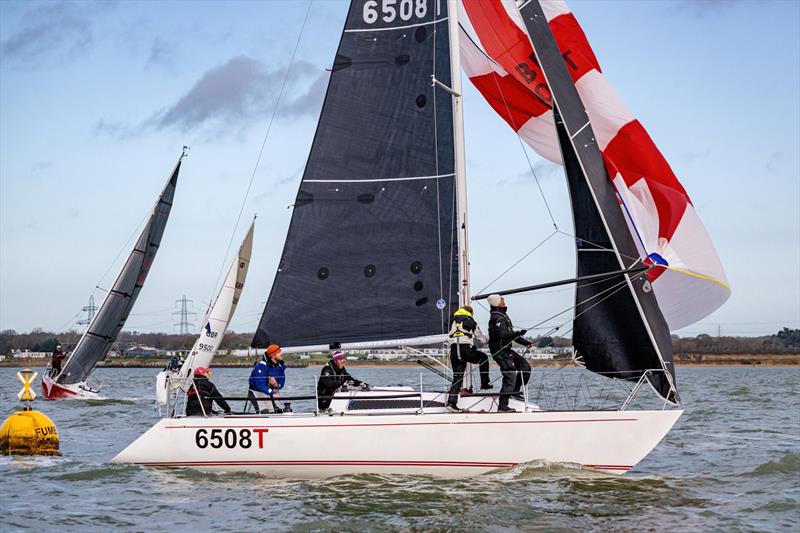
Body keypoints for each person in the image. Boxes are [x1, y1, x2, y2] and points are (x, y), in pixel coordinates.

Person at [487, 294, 532, 413]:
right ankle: (502, 406)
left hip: (507, 350)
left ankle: (515, 392)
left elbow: (510, 335)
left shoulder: (503, 315)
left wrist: (525, 342)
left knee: (525, 367)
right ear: (497, 303)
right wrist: (518, 333)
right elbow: (503, 335)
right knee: (510, 376)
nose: (504, 301)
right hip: (500, 352)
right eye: (502, 300)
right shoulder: (497, 318)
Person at [446, 305, 491, 412]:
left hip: (453, 351)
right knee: (483, 358)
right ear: (470, 313)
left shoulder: (451, 320)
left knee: (457, 377)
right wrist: (488, 340)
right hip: (465, 350)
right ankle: (485, 383)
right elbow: (481, 338)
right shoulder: (470, 321)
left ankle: (451, 403)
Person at [248, 344, 286, 413]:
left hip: (268, 393)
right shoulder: (261, 366)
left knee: (277, 412)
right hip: (256, 392)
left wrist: (276, 385)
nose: (282, 353)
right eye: (279, 352)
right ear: (273, 355)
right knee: (264, 412)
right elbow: (260, 384)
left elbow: (281, 382)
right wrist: (271, 393)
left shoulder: (280, 367)